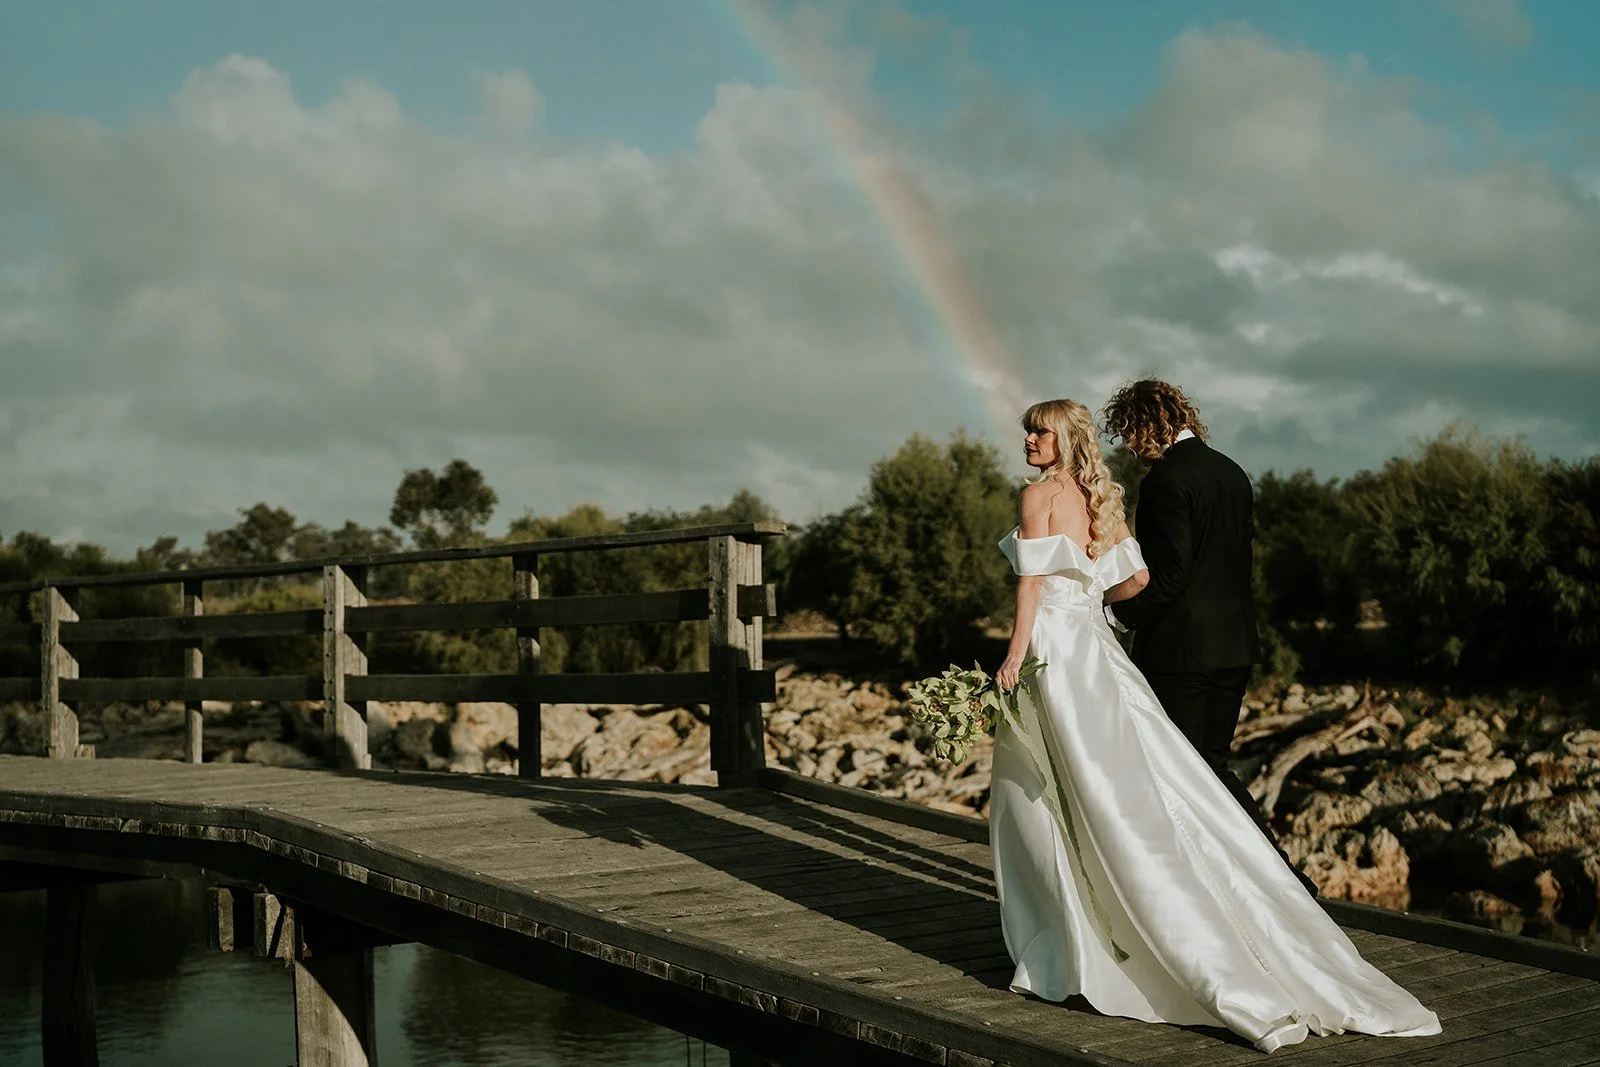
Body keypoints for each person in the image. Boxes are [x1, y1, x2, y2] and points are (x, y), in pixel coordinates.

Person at [988, 397, 1440, 1052]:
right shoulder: (1104, 497)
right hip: (1112, 654)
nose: (1028, 438)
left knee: (1051, 790)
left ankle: (1069, 941)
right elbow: (1134, 576)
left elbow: (1029, 588)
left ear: (1062, 439)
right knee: (1140, 785)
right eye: (1027, 429)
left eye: (1039, 430)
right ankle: (1142, 917)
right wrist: (1087, 595)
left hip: (1058, 657)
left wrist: (1013, 654)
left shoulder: (1040, 497)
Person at [1099, 379, 1317, 895]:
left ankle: (1281, 879)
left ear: (1150, 422)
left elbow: (1168, 578)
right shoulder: (1232, 473)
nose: (1130, 445)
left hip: (1182, 653)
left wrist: (1115, 613)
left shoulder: (1164, 482)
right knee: (1211, 765)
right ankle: (1259, 881)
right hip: (1234, 645)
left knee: (1184, 771)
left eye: (1131, 431)